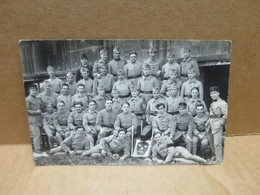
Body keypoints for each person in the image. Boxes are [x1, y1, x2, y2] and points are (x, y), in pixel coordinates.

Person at [208, 86, 228, 163]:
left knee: (217, 143)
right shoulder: (213, 103)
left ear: (218, 93)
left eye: (214, 93)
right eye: (211, 93)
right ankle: (215, 156)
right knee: (212, 142)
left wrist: (221, 123)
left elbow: (226, 114)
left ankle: (219, 160)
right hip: (210, 124)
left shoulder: (222, 103)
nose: (213, 95)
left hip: (217, 124)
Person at [26, 84, 42, 154]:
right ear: (29, 91)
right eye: (33, 90)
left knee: (40, 133)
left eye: (35, 90)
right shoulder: (28, 99)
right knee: (37, 134)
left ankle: (41, 146)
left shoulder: (38, 98)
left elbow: (41, 108)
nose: (34, 92)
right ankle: (37, 148)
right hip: (33, 119)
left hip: (39, 119)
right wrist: (36, 112)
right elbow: (27, 110)